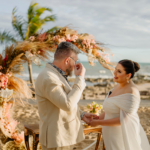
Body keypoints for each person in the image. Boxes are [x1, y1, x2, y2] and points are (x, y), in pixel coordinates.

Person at [35, 42, 97, 150]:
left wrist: (81, 114)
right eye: (76, 61)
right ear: (67, 60)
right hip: (56, 140)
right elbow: (67, 104)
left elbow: (60, 101)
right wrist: (80, 79)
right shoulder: (49, 77)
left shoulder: (56, 74)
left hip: (61, 137)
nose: (76, 65)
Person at [90, 59, 150, 150]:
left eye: (119, 71)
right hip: (109, 134)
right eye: (115, 69)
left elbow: (123, 120)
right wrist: (97, 118)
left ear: (128, 75)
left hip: (120, 136)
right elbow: (111, 110)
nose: (115, 73)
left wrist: (98, 122)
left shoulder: (131, 92)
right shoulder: (118, 85)